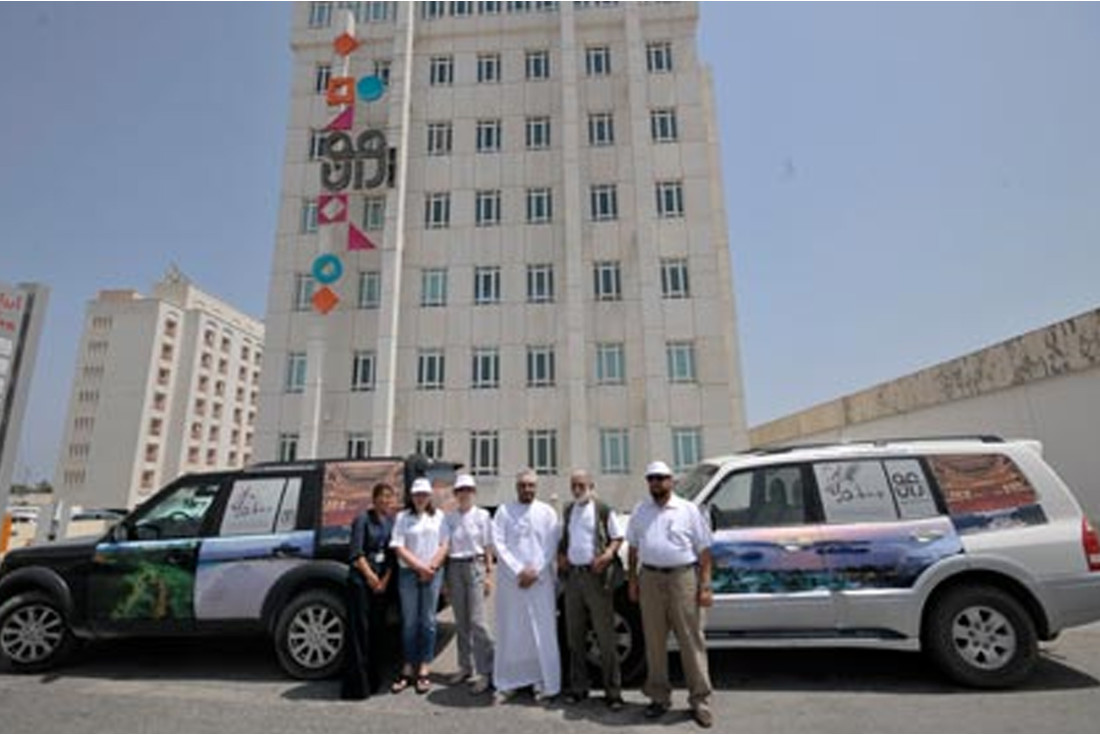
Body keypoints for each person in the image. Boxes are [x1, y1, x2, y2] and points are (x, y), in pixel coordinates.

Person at [626, 461, 715, 728]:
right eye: (651, 479)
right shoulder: (640, 511)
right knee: (654, 642)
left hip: (682, 579)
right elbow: (632, 548)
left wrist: (706, 586)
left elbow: (704, 552)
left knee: (691, 640)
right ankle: (658, 698)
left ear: (672, 481)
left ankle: (700, 700)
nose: (656, 483)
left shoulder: (688, 510)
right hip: (650, 579)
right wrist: (632, 580)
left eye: (661, 478)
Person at [491, 468, 561, 702]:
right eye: (523, 485)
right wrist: (519, 570)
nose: (527, 489)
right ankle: (509, 681)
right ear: (516, 486)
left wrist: (535, 571)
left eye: (531, 485)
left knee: (540, 631)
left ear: (536, 486)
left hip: (540, 584)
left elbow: (551, 545)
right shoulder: (503, 511)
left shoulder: (547, 512)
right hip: (513, 584)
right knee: (512, 629)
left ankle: (541, 679)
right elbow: (498, 543)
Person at [558, 469, 625, 710]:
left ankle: (613, 693)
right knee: (574, 636)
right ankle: (579, 688)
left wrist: (607, 554)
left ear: (591, 485)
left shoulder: (602, 508)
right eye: (574, 485)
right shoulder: (568, 510)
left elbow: (618, 537)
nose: (577, 489)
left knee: (605, 636)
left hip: (596, 579)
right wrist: (561, 556)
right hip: (573, 579)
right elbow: (564, 540)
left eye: (581, 485)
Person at [390, 477, 449, 695]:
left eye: (424, 494)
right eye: (417, 494)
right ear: (411, 496)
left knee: (429, 621)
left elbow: (445, 544)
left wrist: (431, 567)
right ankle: (407, 666)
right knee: (410, 622)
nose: (420, 498)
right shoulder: (403, 517)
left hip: (433, 573)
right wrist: (419, 568)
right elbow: (398, 546)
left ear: (430, 496)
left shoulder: (439, 516)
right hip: (408, 574)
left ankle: (424, 666)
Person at [341, 482, 398, 700]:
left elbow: (392, 556)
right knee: (359, 633)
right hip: (361, 582)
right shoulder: (362, 520)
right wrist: (371, 578)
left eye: (389, 497)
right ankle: (357, 687)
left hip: (380, 586)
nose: (385, 501)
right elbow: (356, 554)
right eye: (382, 497)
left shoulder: (390, 522)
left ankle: (373, 680)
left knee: (376, 633)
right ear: (373, 499)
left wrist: (384, 581)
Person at [443, 473, 495, 695]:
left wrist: (489, 574)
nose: (464, 494)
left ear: (473, 492)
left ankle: (486, 671)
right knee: (461, 621)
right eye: (460, 490)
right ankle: (465, 666)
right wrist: (445, 580)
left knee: (477, 621)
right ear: (455, 494)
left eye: (468, 490)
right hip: (454, 567)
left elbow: (488, 546)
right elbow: (445, 548)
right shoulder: (449, 518)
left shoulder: (482, 515)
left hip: (475, 566)